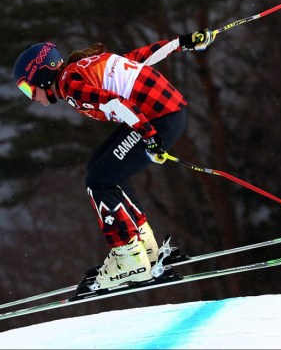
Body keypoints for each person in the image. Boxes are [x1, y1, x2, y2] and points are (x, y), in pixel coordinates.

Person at [12, 30, 215, 290]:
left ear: (41, 75)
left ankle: (130, 257)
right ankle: (144, 248)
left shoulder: (69, 85)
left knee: (99, 181)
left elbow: (116, 103)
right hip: (162, 115)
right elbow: (136, 60)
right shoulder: (82, 67)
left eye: (28, 88)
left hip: (158, 119)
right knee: (98, 168)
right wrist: (181, 43)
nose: (32, 97)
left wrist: (150, 136)